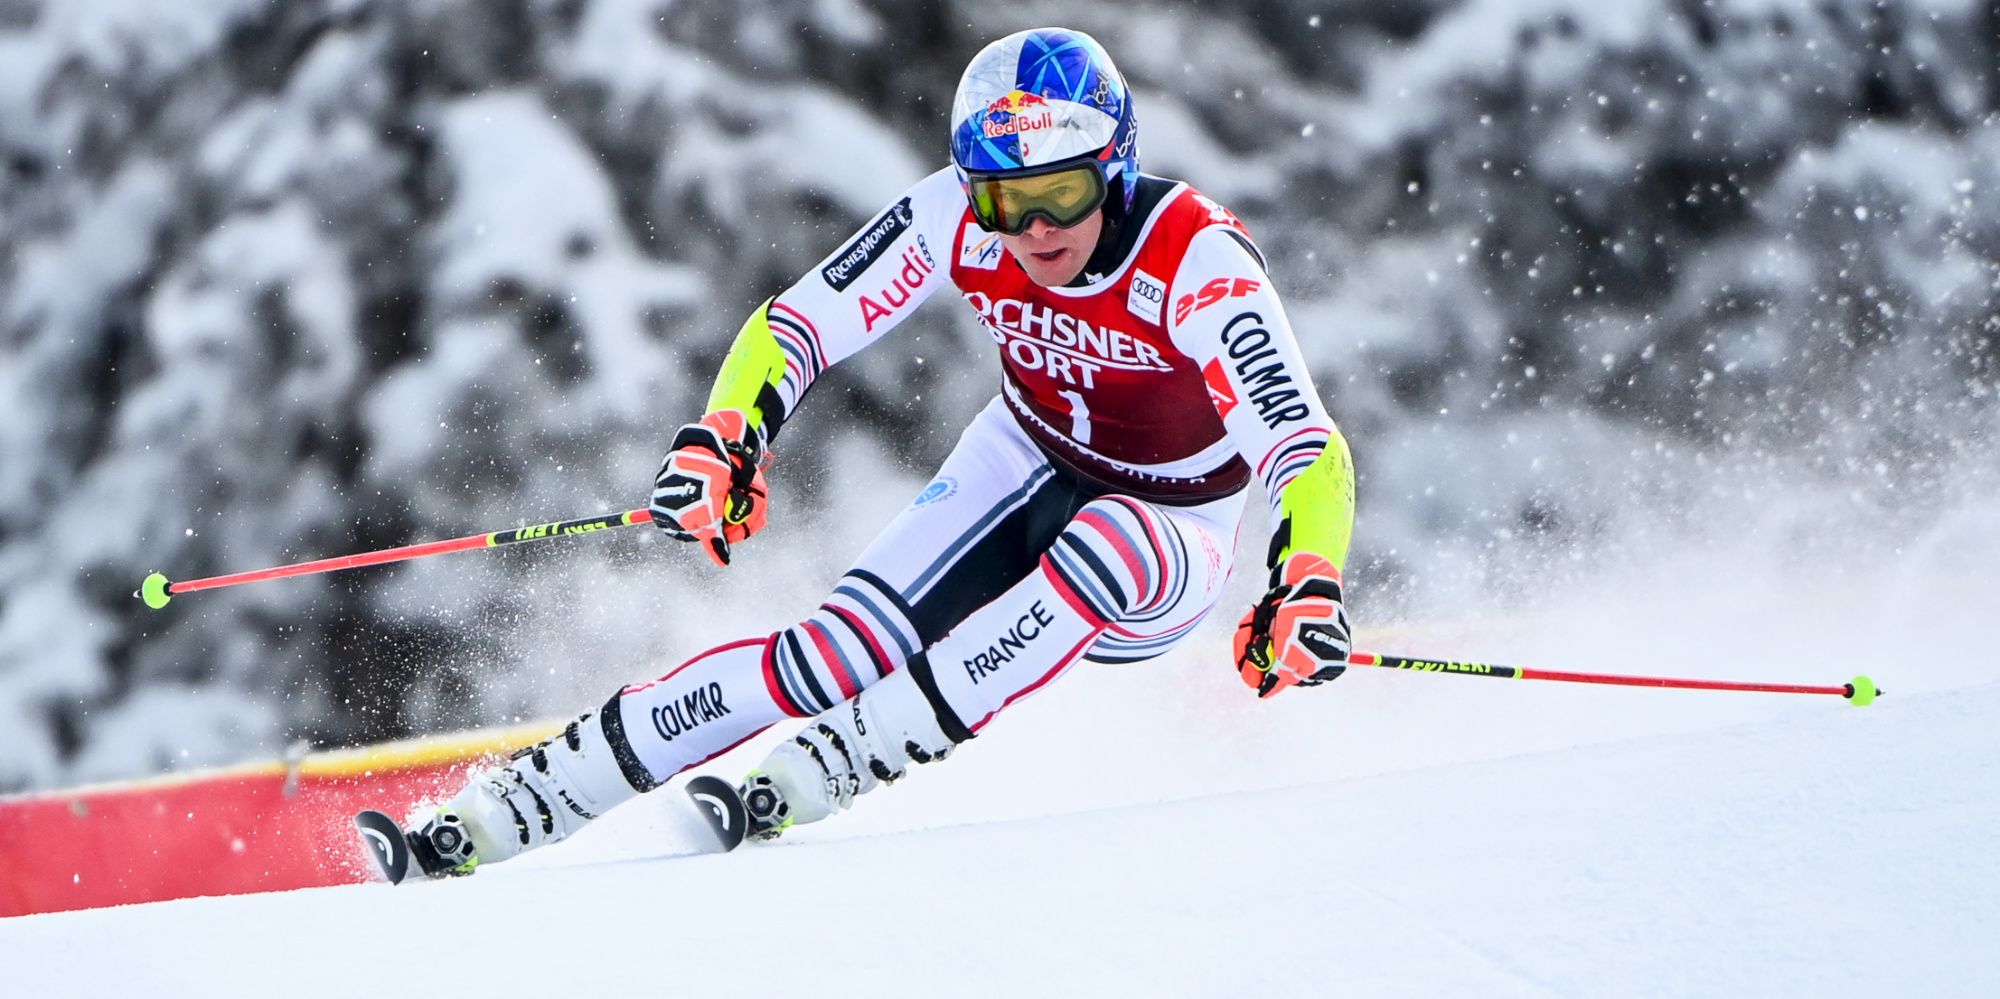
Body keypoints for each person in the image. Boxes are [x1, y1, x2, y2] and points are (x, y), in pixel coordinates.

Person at [398, 26, 1356, 878]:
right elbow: (801, 321)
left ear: (1115, 167)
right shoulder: (955, 213)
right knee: (829, 655)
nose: (1034, 230)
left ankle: (848, 757)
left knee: (1111, 542)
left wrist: (1306, 577)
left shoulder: (1196, 259)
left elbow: (1304, 444)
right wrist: (729, 434)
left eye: (1062, 193)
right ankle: (518, 802)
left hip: (1173, 526)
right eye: (1004, 199)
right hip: (1021, 461)